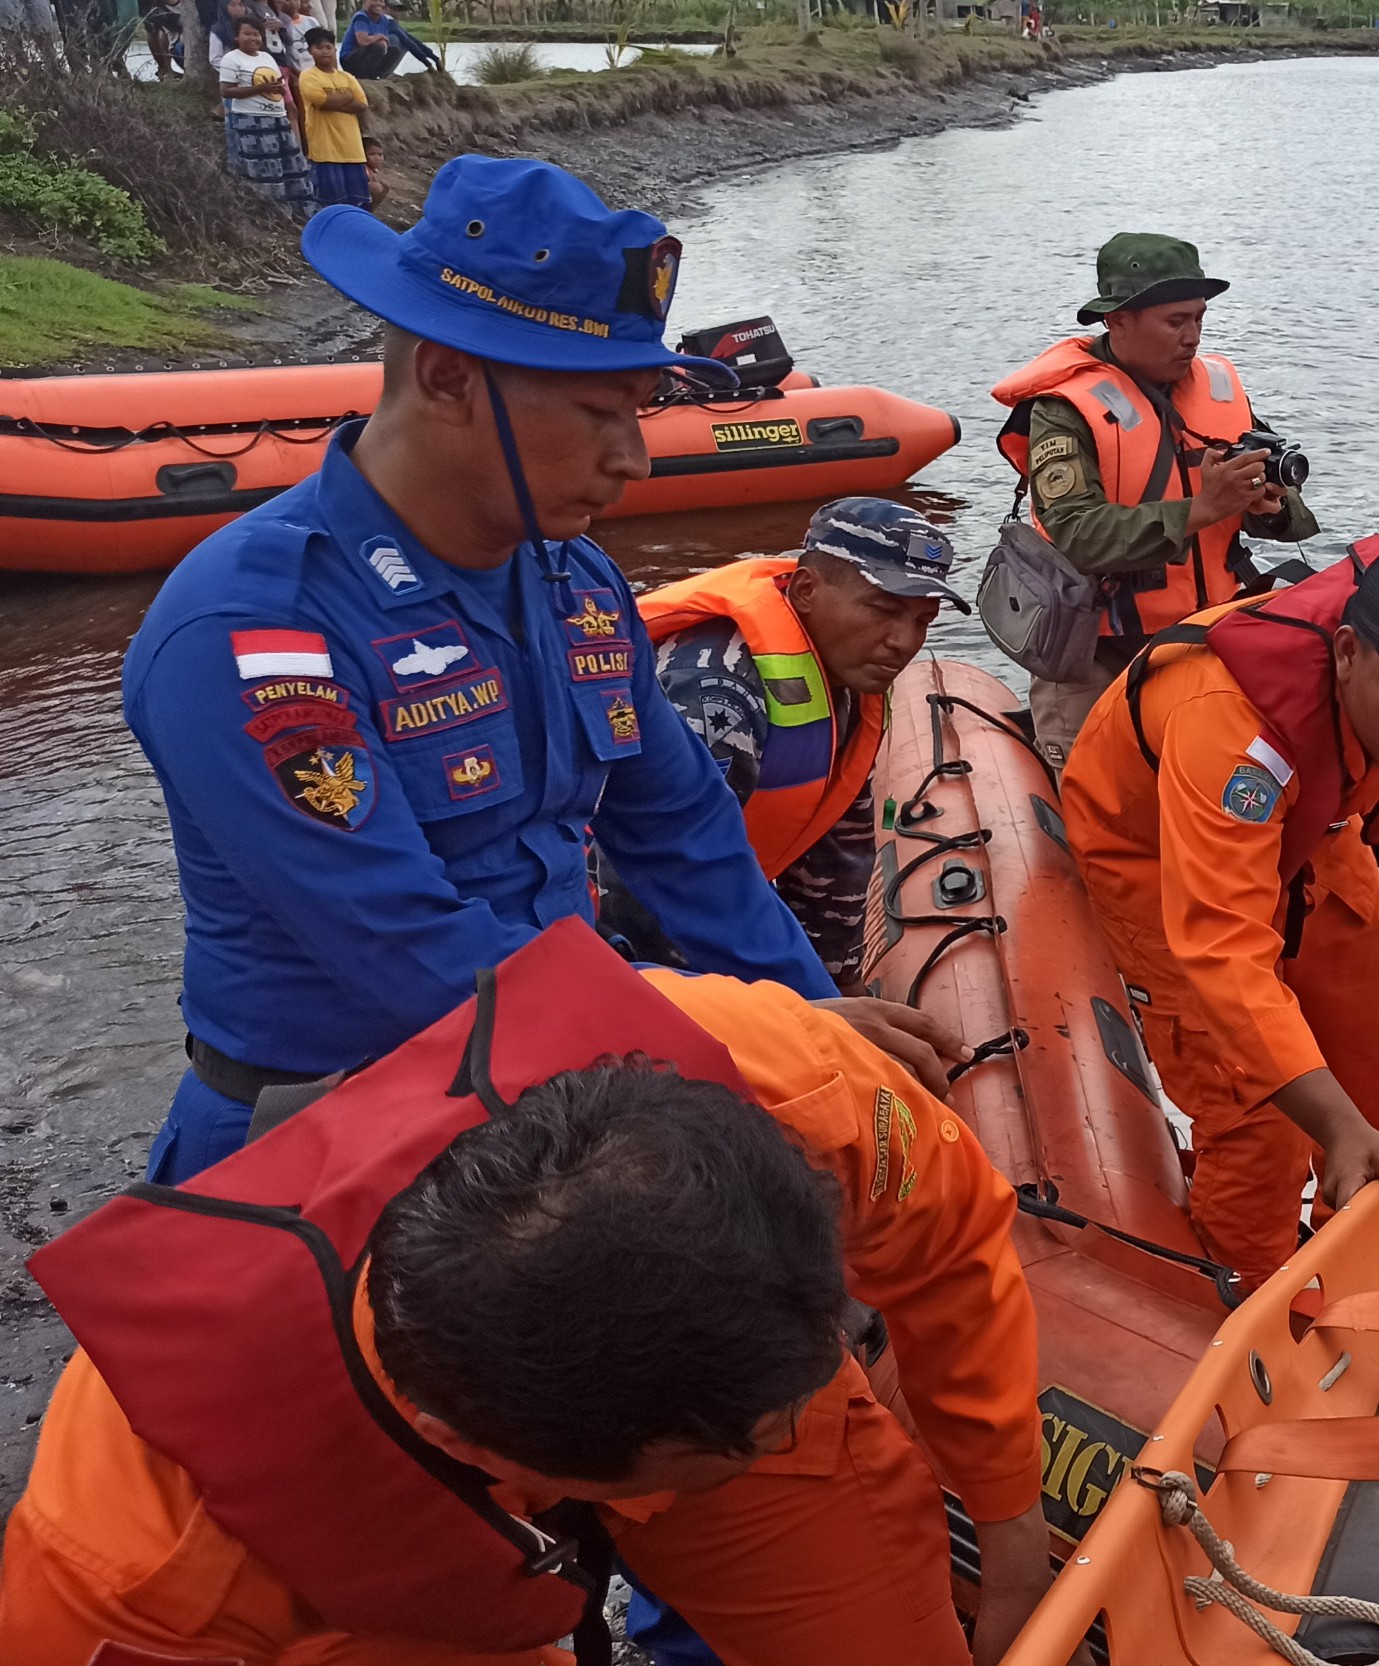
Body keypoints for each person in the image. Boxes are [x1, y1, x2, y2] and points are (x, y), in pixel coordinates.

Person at [0, 927, 1053, 1666]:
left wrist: (1011, 1556)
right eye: (741, 1444)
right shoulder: (143, 1566)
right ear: (552, 1472)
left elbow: (954, 1251)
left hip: (667, 1376)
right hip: (371, 1569)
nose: (785, 1431)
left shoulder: (782, 1077)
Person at [120, 155, 858, 1186]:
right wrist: (747, 1047)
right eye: (599, 414)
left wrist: (821, 1029)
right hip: (330, 1138)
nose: (635, 459)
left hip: (563, 1090)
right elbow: (414, 960)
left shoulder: (573, 583)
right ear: (447, 377)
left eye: (640, 411)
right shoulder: (255, 630)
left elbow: (685, 832)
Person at [1058, 535, 1379, 1291]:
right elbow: (1221, 941)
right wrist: (1328, 1119)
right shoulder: (1230, 725)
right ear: (1349, 652)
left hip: (1315, 825)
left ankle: (1355, 1268)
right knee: (1255, 1117)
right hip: (1153, 845)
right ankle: (1254, 1302)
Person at [605, 498, 963, 990]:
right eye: (883, 610)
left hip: (727, 907)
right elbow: (655, 874)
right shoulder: (716, 692)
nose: (903, 641)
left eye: (923, 621)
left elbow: (840, 856)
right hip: (632, 944)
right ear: (807, 590)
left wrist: (840, 992)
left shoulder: (849, 681)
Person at [989, 233, 1317, 769]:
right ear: (1117, 320)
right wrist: (1201, 511)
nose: (1192, 337)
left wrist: (1271, 505)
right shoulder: (1064, 408)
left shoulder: (1218, 388)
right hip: (1100, 651)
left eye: (1198, 319)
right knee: (1096, 805)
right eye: (1174, 322)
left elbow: (1288, 506)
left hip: (1210, 633)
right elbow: (1076, 533)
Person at [216, 17, 312, 210]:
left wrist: (278, 91)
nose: (253, 38)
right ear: (236, 36)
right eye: (247, 34)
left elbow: (278, 85)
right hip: (252, 120)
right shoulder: (231, 59)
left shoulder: (267, 57)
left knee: (290, 163)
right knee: (264, 169)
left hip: (278, 118)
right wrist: (259, 89)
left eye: (256, 34)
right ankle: (272, 212)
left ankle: (299, 208)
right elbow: (227, 91)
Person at [293, 28, 370, 211]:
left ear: (335, 49)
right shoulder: (308, 76)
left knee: (359, 202)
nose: (325, 51)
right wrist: (347, 98)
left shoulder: (347, 77)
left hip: (352, 150)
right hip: (325, 151)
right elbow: (321, 100)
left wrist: (333, 102)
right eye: (319, 47)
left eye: (328, 47)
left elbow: (362, 106)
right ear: (311, 50)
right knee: (331, 204)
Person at [340, 0, 436, 74]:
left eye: (399, 10)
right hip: (351, 59)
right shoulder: (362, 17)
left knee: (395, 47)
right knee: (384, 44)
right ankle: (366, 76)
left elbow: (409, 40)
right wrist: (429, 62)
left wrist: (432, 59)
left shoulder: (383, 20)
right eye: (394, 9)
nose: (397, 13)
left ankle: (379, 75)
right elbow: (363, 41)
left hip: (367, 55)